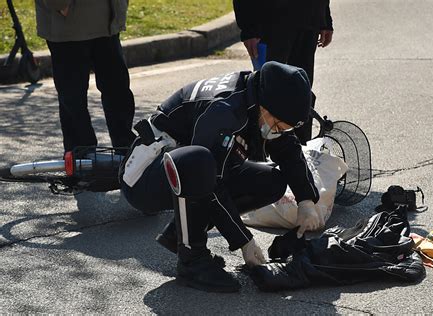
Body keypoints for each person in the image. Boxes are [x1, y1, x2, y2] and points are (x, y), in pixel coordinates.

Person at [120, 61, 325, 293]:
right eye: (278, 125)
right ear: (265, 108)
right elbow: (212, 185)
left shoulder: (260, 97)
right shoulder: (224, 111)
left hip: (189, 169)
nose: (278, 131)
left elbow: (287, 148)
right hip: (144, 177)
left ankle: (178, 233)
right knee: (197, 162)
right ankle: (192, 259)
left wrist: (307, 200)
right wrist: (244, 241)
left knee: (271, 182)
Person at [35, 0, 136, 152]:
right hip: (68, 24)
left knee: (118, 91)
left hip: (107, 20)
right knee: (73, 97)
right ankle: (81, 158)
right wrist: (59, 4)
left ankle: (127, 151)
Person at [233, 0, 334, 144]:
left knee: (302, 93)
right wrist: (249, 28)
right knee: (266, 95)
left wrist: (325, 19)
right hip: (271, 24)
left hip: (309, 21)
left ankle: (301, 154)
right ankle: (260, 156)